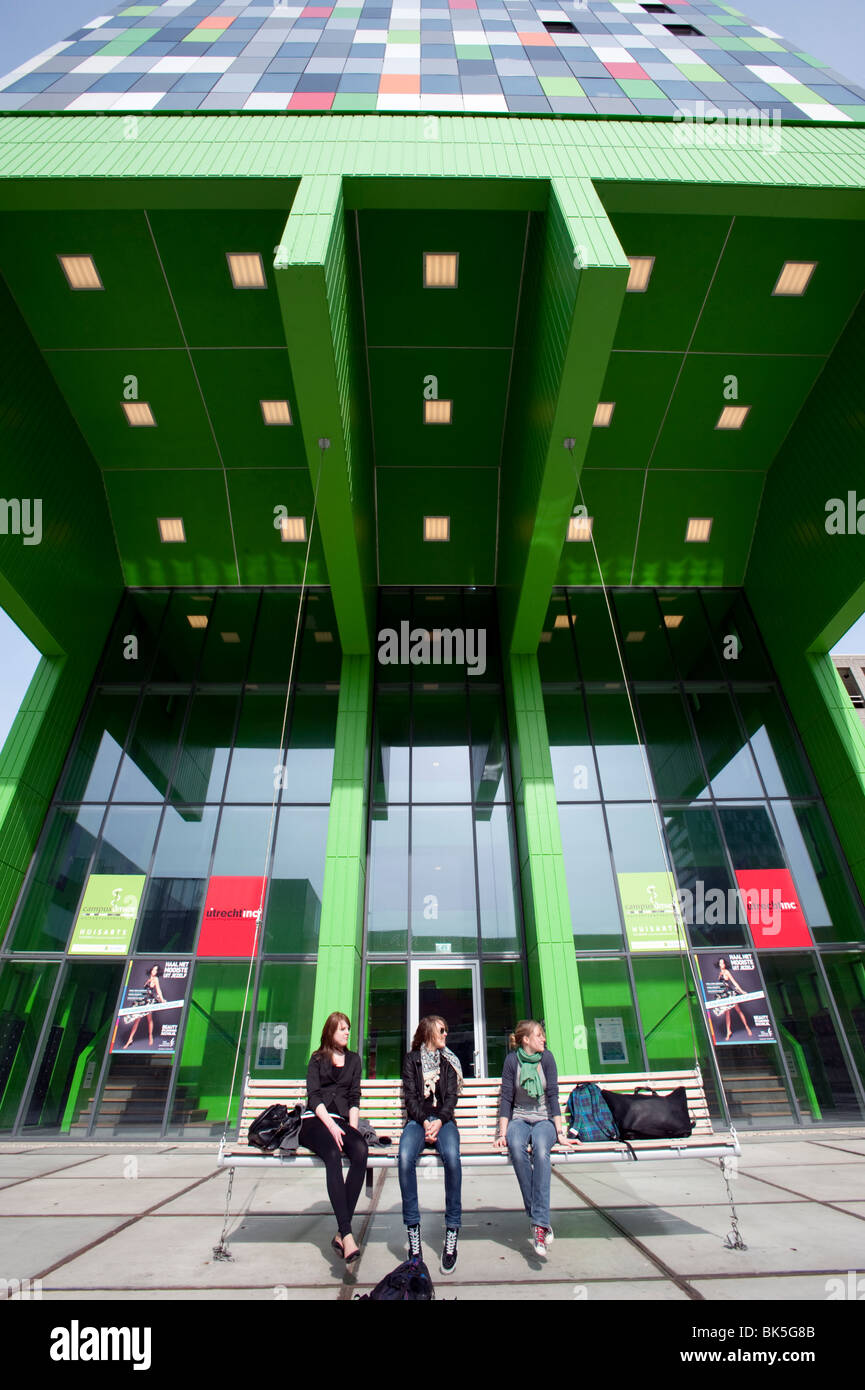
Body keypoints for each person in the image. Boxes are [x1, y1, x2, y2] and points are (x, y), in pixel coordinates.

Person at [495, 1019, 578, 1258]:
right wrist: (502, 1133)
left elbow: (553, 1095)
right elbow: (507, 1099)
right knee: (516, 1145)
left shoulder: (547, 1059)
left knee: (541, 1150)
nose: (543, 1039)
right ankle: (540, 1220)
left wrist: (560, 1133)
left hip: (543, 1119)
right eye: (539, 1035)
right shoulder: (512, 1061)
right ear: (526, 1040)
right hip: (519, 1117)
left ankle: (538, 1222)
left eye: (543, 1035)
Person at [299, 1011, 368, 1263]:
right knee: (331, 1154)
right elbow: (313, 1097)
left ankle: (341, 1231)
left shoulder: (353, 1060)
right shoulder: (317, 1058)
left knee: (360, 1151)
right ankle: (348, 1234)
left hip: (341, 1122)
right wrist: (330, 1125)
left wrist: (351, 1132)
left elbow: (354, 1098)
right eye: (342, 1028)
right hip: (315, 1121)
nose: (347, 1032)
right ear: (330, 1031)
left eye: (348, 1028)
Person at [399, 1015, 463, 1274]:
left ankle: (452, 1231)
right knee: (404, 1159)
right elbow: (411, 1099)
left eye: (446, 1030)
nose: (446, 1034)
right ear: (428, 1033)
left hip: (444, 1122)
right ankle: (413, 1234)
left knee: (452, 1158)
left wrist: (439, 1122)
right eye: (441, 1030)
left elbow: (450, 1100)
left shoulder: (449, 1061)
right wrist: (426, 1121)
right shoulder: (411, 1060)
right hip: (418, 1122)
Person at [123, 965, 164, 1048]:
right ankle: (130, 1039)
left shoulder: (156, 979)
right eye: (153, 969)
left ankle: (150, 1036)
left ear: (157, 972)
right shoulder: (149, 979)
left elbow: (158, 989)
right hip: (142, 1001)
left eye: (156, 970)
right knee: (137, 1020)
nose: (154, 971)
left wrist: (162, 999)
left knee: (149, 1019)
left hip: (148, 1002)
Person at [715, 958, 754, 1041]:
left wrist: (742, 991)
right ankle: (728, 1031)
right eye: (720, 963)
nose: (721, 965)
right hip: (723, 995)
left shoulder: (726, 972)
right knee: (727, 1014)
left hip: (730, 994)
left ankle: (747, 1027)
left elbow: (734, 982)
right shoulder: (720, 973)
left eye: (723, 963)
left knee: (738, 1011)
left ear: (725, 964)